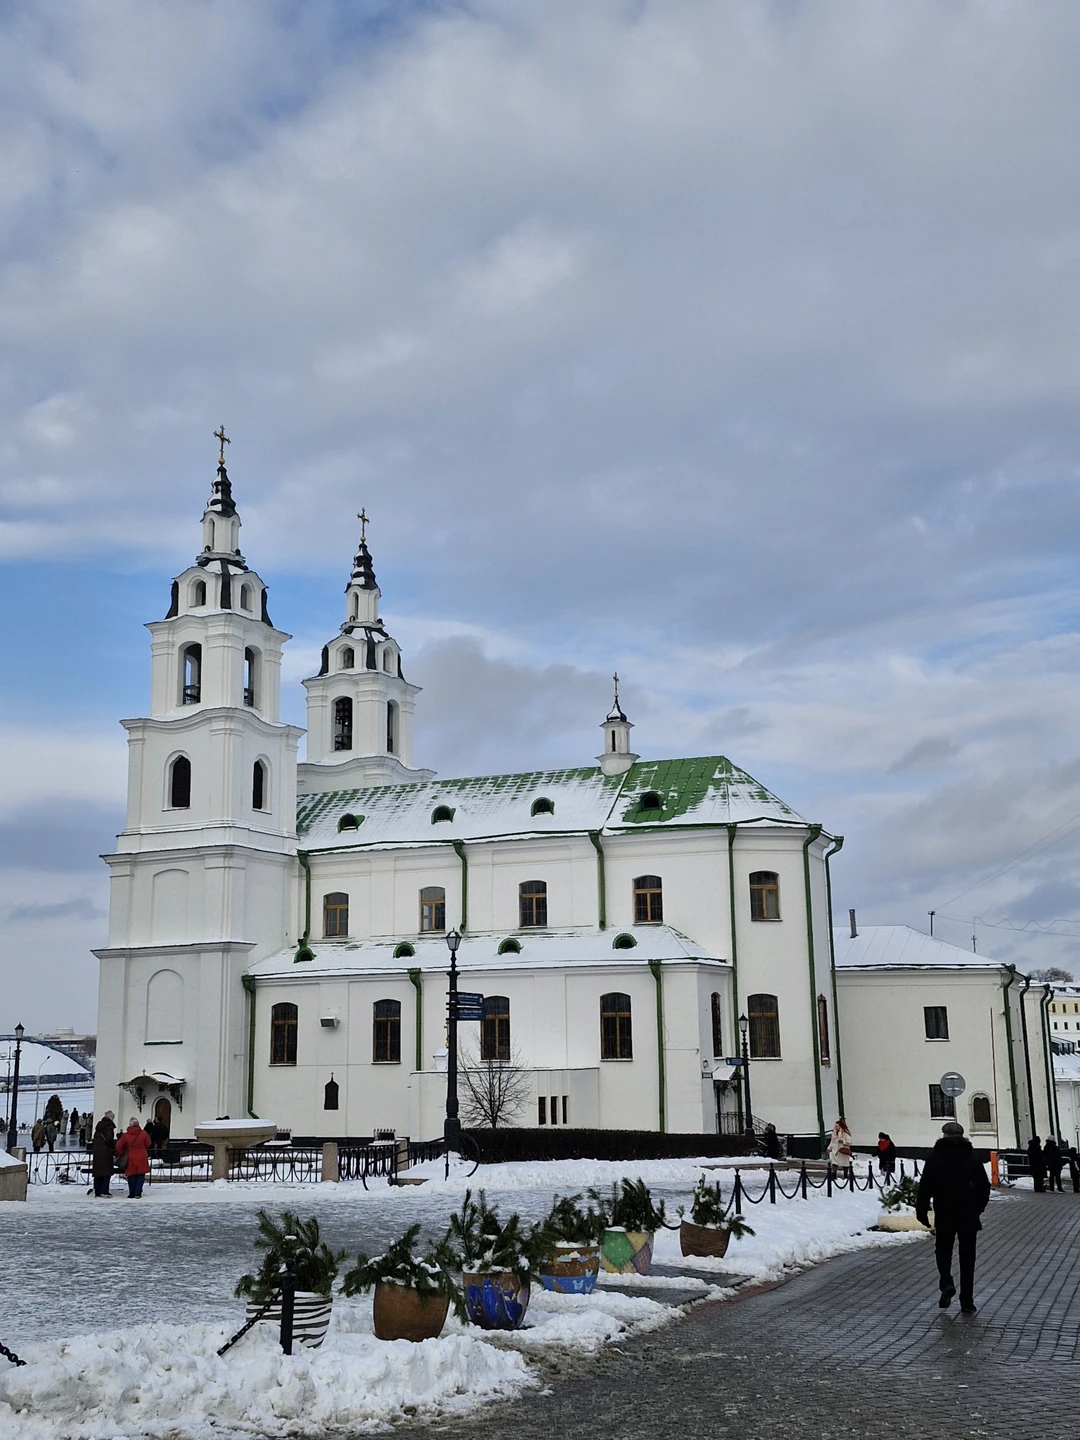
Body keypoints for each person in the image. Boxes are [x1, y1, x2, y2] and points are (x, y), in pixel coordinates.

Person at [916, 1120, 991, 1314]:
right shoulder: (972, 1157)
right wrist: (978, 1208)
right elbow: (984, 1186)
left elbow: (925, 1186)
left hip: (945, 1212)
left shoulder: (935, 1157)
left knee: (943, 1251)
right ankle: (967, 1301)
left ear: (944, 1135)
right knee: (967, 1258)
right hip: (968, 1215)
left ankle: (947, 1282)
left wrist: (922, 1210)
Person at [115, 1116, 151, 1199]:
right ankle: (138, 1192)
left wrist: (122, 1153)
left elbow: (118, 1146)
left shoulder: (126, 1135)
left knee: (131, 1175)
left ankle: (132, 1193)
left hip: (131, 1157)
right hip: (142, 1156)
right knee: (140, 1175)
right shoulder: (143, 1134)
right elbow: (148, 1143)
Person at [91, 1112, 117, 1197]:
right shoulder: (109, 1127)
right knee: (106, 1172)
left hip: (98, 1152)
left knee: (98, 1172)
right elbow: (109, 1139)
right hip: (106, 1152)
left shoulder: (99, 1127)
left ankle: (97, 1191)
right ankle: (104, 1191)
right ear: (111, 1118)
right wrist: (113, 1146)